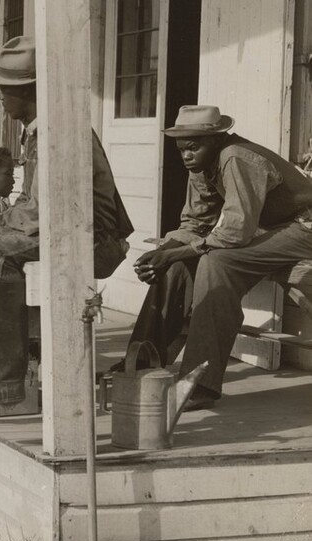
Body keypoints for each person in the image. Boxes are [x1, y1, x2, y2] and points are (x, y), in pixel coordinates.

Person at [0, 36, 133, 407]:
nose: (0, 97)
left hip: (93, 237)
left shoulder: (59, 132)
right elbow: (29, 201)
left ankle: (4, 380)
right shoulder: (37, 131)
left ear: (29, 90)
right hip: (62, 230)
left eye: (5, 89)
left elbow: (47, 207)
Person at [118, 104, 312, 411]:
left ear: (217, 140)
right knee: (176, 265)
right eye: (181, 149)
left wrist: (178, 251)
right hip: (273, 230)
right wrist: (163, 253)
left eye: (193, 147)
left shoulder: (235, 158)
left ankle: (201, 382)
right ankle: (142, 362)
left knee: (219, 262)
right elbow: (195, 224)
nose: (186, 155)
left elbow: (235, 233)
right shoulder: (200, 166)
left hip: (305, 228)